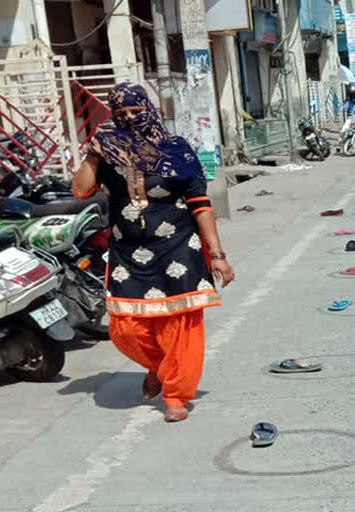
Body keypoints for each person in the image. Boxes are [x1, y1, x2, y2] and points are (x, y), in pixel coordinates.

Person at [72, 83, 235, 423]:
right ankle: (160, 367)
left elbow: (201, 204)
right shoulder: (110, 151)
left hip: (179, 249)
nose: (130, 119)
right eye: (120, 115)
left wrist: (217, 254)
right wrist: (94, 151)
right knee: (124, 328)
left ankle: (177, 395)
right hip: (128, 254)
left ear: (150, 109)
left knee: (181, 327)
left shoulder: (177, 150)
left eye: (135, 111)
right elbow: (81, 189)